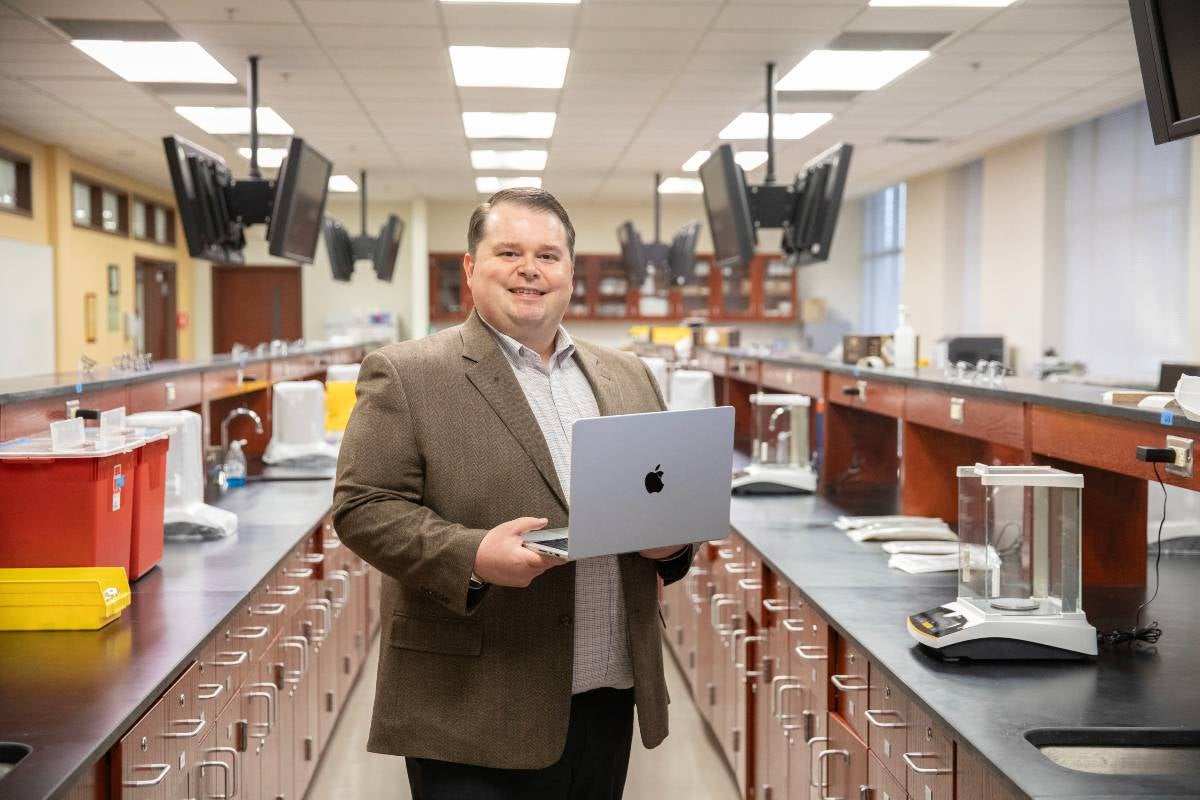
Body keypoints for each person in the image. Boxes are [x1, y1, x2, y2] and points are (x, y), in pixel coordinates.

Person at [332, 187, 695, 800]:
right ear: (472, 269)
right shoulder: (407, 373)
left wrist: (671, 547)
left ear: (571, 274)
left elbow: (661, 503)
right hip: (472, 703)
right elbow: (362, 507)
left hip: (606, 692)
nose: (531, 268)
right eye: (509, 252)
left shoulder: (630, 376)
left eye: (549, 255)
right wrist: (472, 556)